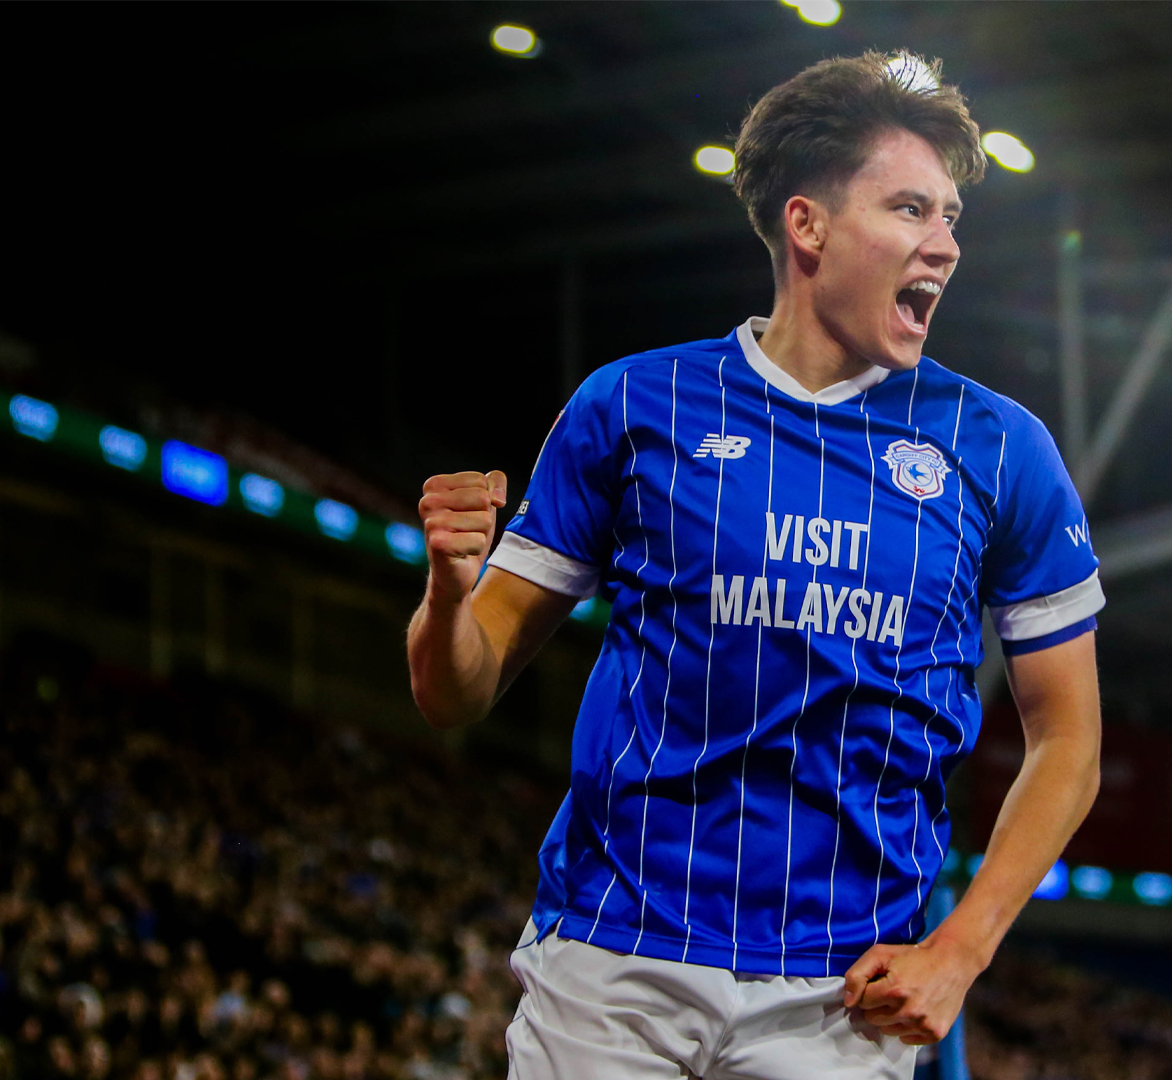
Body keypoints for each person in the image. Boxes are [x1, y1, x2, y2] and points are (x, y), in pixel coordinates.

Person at [407, 50, 1103, 1079]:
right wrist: (447, 592)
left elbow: (1069, 740)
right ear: (807, 225)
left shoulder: (1002, 449)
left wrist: (961, 950)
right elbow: (452, 695)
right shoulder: (632, 406)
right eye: (911, 209)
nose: (946, 246)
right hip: (613, 965)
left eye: (951, 217)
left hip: (844, 995)